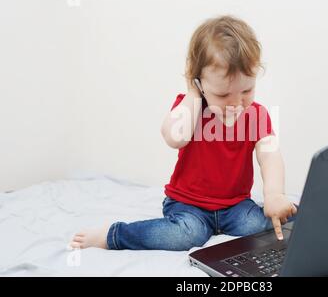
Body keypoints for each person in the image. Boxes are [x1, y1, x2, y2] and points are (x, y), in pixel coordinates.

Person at [70, 15, 297, 251]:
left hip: (235, 207)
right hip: (189, 206)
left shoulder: (256, 115)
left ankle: (316, 220)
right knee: (188, 235)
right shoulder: (189, 108)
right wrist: (193, 95)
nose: (235, 103)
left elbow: (269, 155)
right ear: (197, 82)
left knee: (270, 221)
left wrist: (273, 194)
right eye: (222, 95)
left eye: (246, 90)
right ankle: (114, 235)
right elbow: (174, 138)